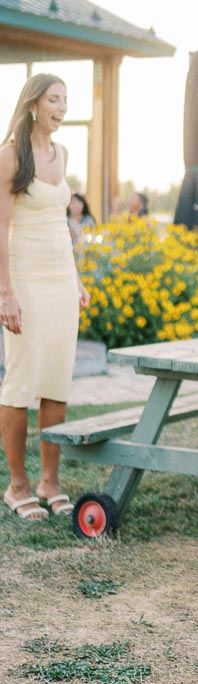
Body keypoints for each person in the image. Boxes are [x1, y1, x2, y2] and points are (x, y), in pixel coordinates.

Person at [0, 75, 91, 521]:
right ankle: (17, 486)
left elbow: (61, 224)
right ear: (34, 103)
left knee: (56, 382)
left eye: (66, 100)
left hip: (59, 279)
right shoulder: (10, 156)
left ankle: (49, 481)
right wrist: (5, 293)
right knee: (21, 382)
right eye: (55, 99)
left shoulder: (63, 154)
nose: (62, 107)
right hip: (25, 278)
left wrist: (75, 280)